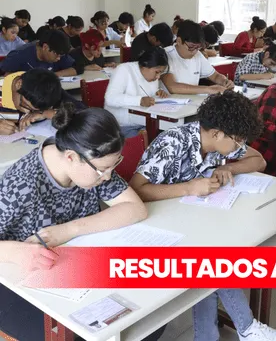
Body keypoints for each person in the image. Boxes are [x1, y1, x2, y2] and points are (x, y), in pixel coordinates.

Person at [129, 92, 276, 341]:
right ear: (217, 133)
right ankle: (246, 329)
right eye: (238, 141)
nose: (239, 147)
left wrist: (227, 166)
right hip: (156, 228)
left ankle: (217, 335)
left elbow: (258, 160)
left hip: (193, 221)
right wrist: (188, 188)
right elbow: (135, 190)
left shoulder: (217, 143)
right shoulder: (173, 142)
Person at [0, 104, 166, 341]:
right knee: (81, 334)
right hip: (19, 284)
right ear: (71, 157)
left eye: (114, 165)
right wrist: (16, 252)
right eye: (103, 170)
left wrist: (68, 229)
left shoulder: (93, 161)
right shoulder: (20, 185)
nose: (108, 176)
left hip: (74, 270)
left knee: (149, 320)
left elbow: (135, 209)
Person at [105, 47, 169, 138]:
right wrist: (140, 101)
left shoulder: (151, 75)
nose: (158, 77)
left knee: (166, 138)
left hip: (145, 123)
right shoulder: (123, 70)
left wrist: (158, 92)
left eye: (161, 73)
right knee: (147, 145)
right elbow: (110, 98)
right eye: (157, 72)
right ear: (145, 65)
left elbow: (149, 93)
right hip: (122, 125)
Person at [160, 20, 234, 95]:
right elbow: (173, 87)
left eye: (198, 47)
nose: (194, 51)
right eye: (191, 47)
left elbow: (215, 76)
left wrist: (225, 81)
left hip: (191, 101)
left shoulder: (198, 55)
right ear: (179, 41)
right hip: (170, 103)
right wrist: (208, 89)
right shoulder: (165, 55)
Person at [0, 69, 63, 135]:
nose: (27, 112)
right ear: (19, 84)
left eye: (32, 110)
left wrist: (44, 113)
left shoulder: (49, 90)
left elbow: (69, 114)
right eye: (25, 105)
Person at [0, 29, 76, 77]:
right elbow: (5, 76)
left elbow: (77, 68)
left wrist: (55, 75)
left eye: (61, 55)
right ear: (45, 47)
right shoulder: (19, 55)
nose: (59, 58)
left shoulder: (58, 50)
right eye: (57, 55)